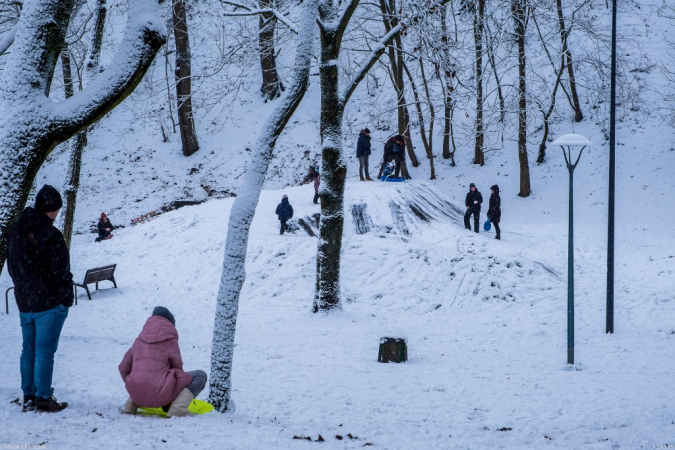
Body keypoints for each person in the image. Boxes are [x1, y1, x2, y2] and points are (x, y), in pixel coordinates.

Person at [6, 185, 73, 413]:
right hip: (48, 302)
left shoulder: (16, 231)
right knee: (44, 352)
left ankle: (29, 394)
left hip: (25, 301)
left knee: (28, 350)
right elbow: (61, 269)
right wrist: (65, 297)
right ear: (52, 209)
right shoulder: (50, 234)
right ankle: (44, 397)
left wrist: (23, 290)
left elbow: (12, 266)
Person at [119, 307, 207, 417]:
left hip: (137, 395)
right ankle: (178, 408)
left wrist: (131, 384)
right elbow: (177, 369)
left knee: (139, 376)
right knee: (200, 375)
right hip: (160, 394)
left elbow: (123, 367)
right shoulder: (170, 341)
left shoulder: (137, 342)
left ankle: (130, 407)